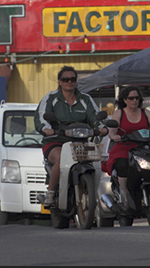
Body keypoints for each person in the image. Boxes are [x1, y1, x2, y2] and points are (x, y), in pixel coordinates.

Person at [34, 65, 108, 207]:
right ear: (59, 81)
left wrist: (101, 128)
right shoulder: (50, 98)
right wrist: (46, 128)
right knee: (62, 159)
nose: (69, 82)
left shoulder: (85, 99)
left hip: (80, 143)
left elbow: (95, 117)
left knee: (95, 161)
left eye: (72, 79)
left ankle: (92, 193)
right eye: (65, 79)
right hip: (56, 141)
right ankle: (50, 194)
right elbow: (41, 118)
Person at [105, 86, 150, 208]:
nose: (134, 100)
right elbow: (112, 130)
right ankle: (125, 195)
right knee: (122, 165)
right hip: (124, 147)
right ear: (125, 100)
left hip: (143, 147)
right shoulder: (120, 113)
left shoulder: (145, 112)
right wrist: (114, 136)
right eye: (131, 98)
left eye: (137, 98)